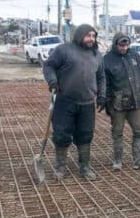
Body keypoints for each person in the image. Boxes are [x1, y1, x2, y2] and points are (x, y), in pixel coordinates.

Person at [42, 24, 107, 180]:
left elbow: (101, 77)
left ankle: (84, 167)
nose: (91, 38)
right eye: (88, 35)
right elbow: (48, 66)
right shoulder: (63, 50)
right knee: (62, 135)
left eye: (93, 35)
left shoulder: (96, 55)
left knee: (85, 136)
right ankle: (60, 167)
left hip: (86, 103)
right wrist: (52, 81)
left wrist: (102, 96)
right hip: (64, 101)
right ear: (79, 35)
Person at [102, 32, 140, 171]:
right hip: (117, 104)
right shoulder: (107, 60)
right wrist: (107, 100)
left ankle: (139, 160)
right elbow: (103, 83)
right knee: (117, 132)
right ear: (115, 44)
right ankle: (118, 161)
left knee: (139, 131)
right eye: (121, 45)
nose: (124, 48)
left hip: (135, 101)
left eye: (126, 45)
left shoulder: (135, 56)